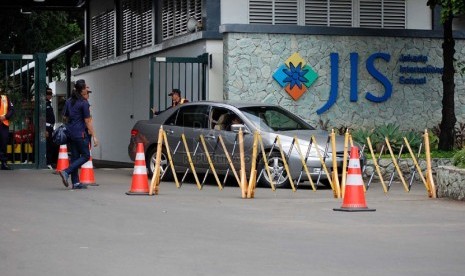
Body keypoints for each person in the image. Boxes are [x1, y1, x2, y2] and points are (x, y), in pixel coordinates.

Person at [58, 79, 99, 189]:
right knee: (86, 155)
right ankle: (66, 172)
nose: (87, 89)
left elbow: (65, 117)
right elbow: (87, 121)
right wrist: (94, 136)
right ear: (81, 91)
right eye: (85, 88)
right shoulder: (84, 103)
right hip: (80, 133)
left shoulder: (69, 101)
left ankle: (75, 183)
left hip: (70, 133)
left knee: (75, 157)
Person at [0, 92, 15, 170]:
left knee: (3, 143)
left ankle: (4, 163)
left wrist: (5, 116)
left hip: (3, 124)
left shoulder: (5, 98)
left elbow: (12, 110)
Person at [45, 87, 58, 169]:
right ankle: (48, 162)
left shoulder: (48, 103)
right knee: (48, 146)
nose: (50, 96)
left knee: (51, 145)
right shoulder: (44, 104)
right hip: (46, 127)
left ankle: (50, 162)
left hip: (51, 128)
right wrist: (44, 129)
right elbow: (42, 118)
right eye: (48, 94)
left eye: (50, 94)